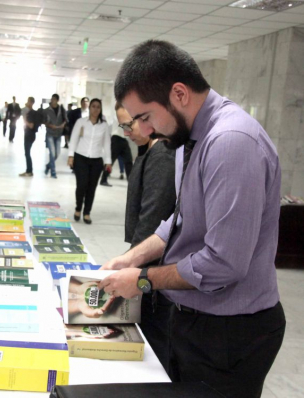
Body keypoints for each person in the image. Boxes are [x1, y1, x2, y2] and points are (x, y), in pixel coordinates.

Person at [99, 40, 286, 398]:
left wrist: (142, 280)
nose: (146, 130)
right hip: (194, 319)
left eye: (145, 117)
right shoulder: (190, 137)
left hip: (230, 334)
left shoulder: (231, 142)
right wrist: (133, 257)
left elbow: (224, 262)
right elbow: (181, 219)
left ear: (179, 94)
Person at [116, 101, 176, 372]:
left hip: (154, 266)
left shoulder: (162, 153)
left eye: (129, 124)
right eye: (122, 126)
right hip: (145, 259)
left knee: (153, 342)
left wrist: (132, 264)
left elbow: (153, 218)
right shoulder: (148, 150)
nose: (126, 131)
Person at [68, 99, 111, 224]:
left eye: (98, 107)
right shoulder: (81, 122)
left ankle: (87, 212)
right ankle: (78, 208)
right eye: (93, 106)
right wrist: (71, 156)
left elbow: (107, 144)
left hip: (97, 160)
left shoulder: (104, 125)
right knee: (81, 186)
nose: (95, 109)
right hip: (81, 157)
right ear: (89, 108)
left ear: (100, 108)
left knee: (91, 188)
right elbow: (74, 139)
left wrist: (108, 161)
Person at [99, 115, 134, 187]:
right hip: (116, 139)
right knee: (110, 160)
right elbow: (124, 125)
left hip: (124, 140)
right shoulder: (118, 114)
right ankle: (103, 179)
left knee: (128, 161)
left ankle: (131, 183)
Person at [44, 94, 68, 178]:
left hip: (58, 134)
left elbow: (66, 119)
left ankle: (48, 166)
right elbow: (45, 122)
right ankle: (53, 172)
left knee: (57, 154)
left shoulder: (61, 109)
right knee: (52, 153)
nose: (52, 100)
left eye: (54, 99)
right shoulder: (47, 110)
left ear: (57, 100)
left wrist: (62, 125)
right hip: (50, 134)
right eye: (52, 99)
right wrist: (51, 126)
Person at [19, 97, 38, 177]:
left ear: (30, 102)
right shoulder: (31, 112)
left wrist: (26, 122)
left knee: (27, 153)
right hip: (30, 134)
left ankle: (29, 171)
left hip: (29, 134)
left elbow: (29, 124)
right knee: (27, 153)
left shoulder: (29, 112)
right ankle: (29, 170)